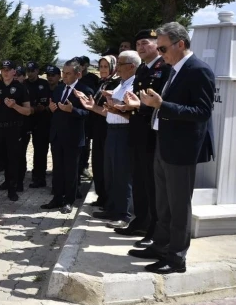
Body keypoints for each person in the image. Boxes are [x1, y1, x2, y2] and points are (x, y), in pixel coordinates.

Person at [129, 22, 215, 274]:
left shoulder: (198, 70)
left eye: (163, 47)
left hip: (181, 150)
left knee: (178, 206)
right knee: (163, 202)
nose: (160, 52)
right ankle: (160, 246)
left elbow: (202, 112)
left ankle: (176, 258)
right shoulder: (174, 69)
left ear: (181, 44)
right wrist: (145, 104)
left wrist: (162, 105)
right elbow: (162, 105)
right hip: (163, 145)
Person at [113, 29, 171, 246]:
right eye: (138, 44)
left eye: (145, 43)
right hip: (137, 131)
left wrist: (138, 106)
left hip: (152, 134)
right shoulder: (144, 70)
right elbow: (137, 103)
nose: (141, 47)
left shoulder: (163, 68)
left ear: (157, 44)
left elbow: (160, 102)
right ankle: (140, 221)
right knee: (139, 180)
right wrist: (122, 108)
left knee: (152, 184)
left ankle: (154, 228)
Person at [85, 51, 139, 228]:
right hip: (111, 129)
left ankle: (123, 214)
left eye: (120, 64)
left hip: (124, 131)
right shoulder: (121, 84)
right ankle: (111, 208)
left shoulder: (135, 84)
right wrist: (93, 107)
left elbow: (129, 110)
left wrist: (115, 103)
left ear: (131, 67)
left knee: (122, 174)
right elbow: (110, 111)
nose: (117, 68)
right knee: (110, 172)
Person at [41, 60, 93, 214]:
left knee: (71, 171)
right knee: (58, 169)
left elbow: (88, 114)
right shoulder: (59, 89)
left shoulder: (84, 90)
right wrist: (52, 108)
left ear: (78, 74)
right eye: (63, 72)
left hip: (73, 137)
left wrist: (73, 110)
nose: (64, 76)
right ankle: (57, 198)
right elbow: (56, 108)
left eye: (68, 73)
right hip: (57, 135)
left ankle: (69, 201)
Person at [0, 60, 30, 201]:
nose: (5, 72)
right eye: (3, 69)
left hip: (13, 129)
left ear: (14, 71)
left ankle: (12, 189)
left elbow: (28, 111)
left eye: (8, 69)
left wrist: (14, 106)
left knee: (12, 160)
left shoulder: (20, 88)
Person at [76, 56, 119, 209]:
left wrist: (92, 107)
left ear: (114, 67)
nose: (102, 70)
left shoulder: (116, 84)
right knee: (98, 166)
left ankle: (110, 200)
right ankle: (102, 196)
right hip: (97, 131)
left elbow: (111, 111)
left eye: (106, 66)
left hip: (109, 130)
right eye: (100, 66)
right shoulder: (101, 83)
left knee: (108, 168)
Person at [23, 62, 51, 188]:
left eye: (32, 70)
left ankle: (39, 177)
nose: (30, 73)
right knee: (20, 149)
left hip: (41, 121)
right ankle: (20, 175)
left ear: (37, 71)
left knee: (40, 151)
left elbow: (44, 104)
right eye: (28, 71)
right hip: (26, 121)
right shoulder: (23, 84)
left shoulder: (44, 84)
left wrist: (34, 108)